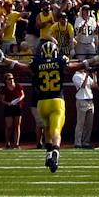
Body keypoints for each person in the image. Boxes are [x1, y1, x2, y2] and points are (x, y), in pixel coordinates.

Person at [32, 35, 70, 173]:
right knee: (56, 131)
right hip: (56, 101)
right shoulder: (60, 61)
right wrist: (92, 61)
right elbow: (74, 67)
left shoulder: (37, 62)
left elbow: (23, 67)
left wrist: (6, 60)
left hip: (41, 103)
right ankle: (55, 152)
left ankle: (48, 155)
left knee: (47, 129)